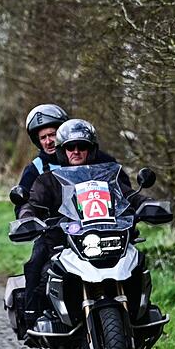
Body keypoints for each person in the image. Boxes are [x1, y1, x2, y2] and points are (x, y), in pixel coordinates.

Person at [16, 119, 149, 334]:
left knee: (138, 262)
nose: (76, 151)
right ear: (62, 151)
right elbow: (32, 204)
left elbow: (128, 195)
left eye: (82, 146)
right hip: (65, 240)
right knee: (39, 267)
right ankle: (34, 317)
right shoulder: (48, 180)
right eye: (71, 147)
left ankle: (141, 313)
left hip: (107, 236)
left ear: (91, 149)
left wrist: (148, 205)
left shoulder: (107, 175)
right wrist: (27, 217)